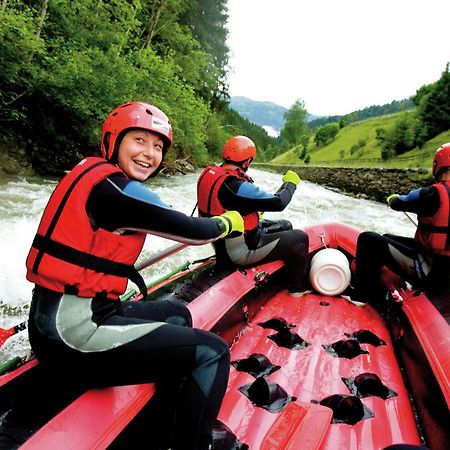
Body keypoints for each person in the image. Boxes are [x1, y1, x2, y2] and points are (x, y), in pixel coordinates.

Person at [7, 102, 245, 450]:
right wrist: (228, 222)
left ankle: (166, 415)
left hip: (72, 316)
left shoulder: (98, 177)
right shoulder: (114, 192)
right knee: (213, 352)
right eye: (139, 140)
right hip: (72, 333)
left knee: (178, 314)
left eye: (158, 146)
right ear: (112, 141)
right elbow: (194, 230)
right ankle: (192, 443)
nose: (150, 153)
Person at [196, 135, 309, 296]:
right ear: (247, 161)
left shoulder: (212, 173)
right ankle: (297, 290)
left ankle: (281, 275)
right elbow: (279, 202)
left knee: (286, 225)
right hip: (239, 251)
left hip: (224, 243)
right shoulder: (235, 186)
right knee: (300, 239)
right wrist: (290, 184)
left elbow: (233, 203)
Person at [352, 143, 450, 318]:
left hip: (430, 271)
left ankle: (361, 295)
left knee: (368, 239)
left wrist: (393, 199)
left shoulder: (433, 194)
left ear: (437, 165)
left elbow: (400, 203)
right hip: (442, 268)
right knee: (387, 237)